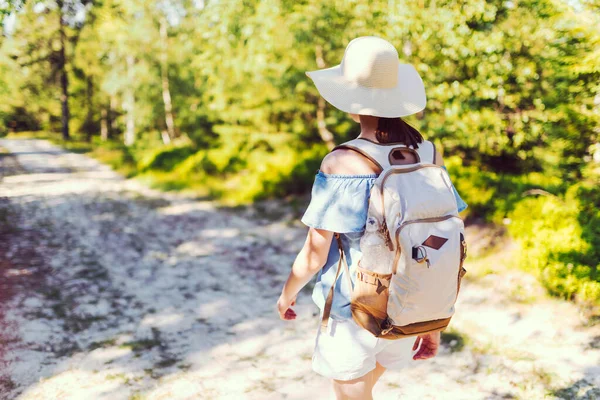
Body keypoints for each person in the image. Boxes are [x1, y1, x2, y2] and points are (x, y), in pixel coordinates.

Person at [276, 36, 468, 400]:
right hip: (408, 305)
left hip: (356, 311)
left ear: (350, 97)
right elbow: (442, 235)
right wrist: (432, 320)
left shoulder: (341, 161)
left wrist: (286, 295)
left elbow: (315, 254)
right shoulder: (428, 153)